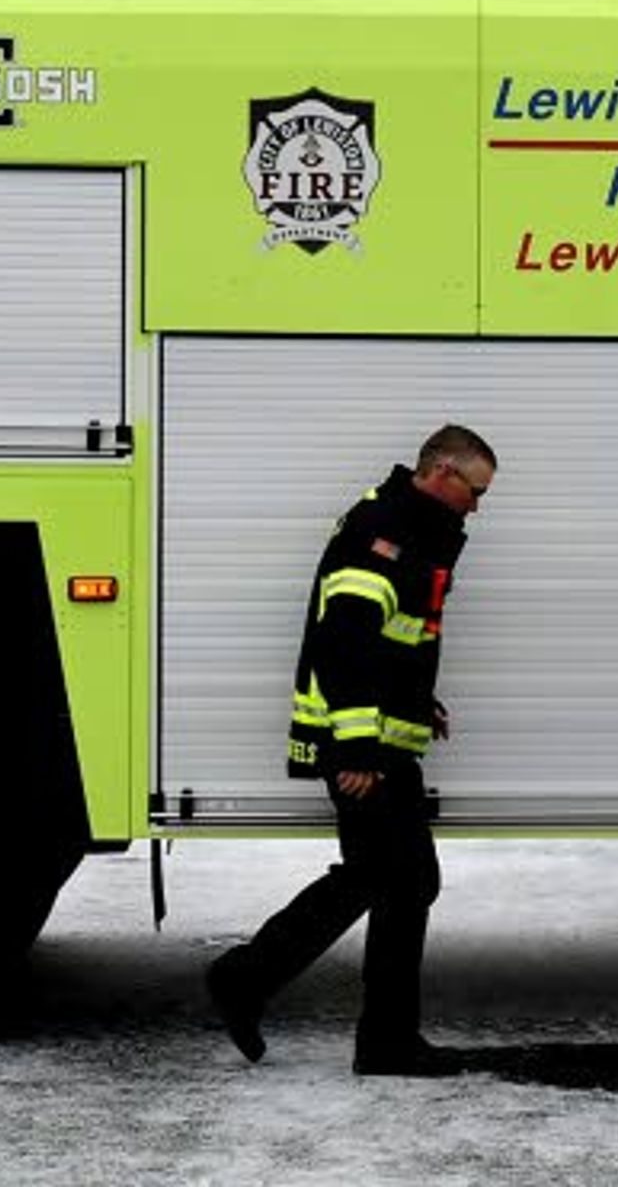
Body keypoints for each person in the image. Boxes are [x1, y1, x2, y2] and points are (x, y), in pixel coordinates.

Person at [207, 425, 495, 1076]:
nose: (477, 506)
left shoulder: (409, 530)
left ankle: (258, 985)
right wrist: (356, 751)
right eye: (476, 492)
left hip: (379, 741)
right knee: (404, 878)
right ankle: (371, 1034)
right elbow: (346, 646)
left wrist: (419, 701)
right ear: (444, 474)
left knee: (385, 877)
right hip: (364, 750)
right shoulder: (383, 532)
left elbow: (392, 643)